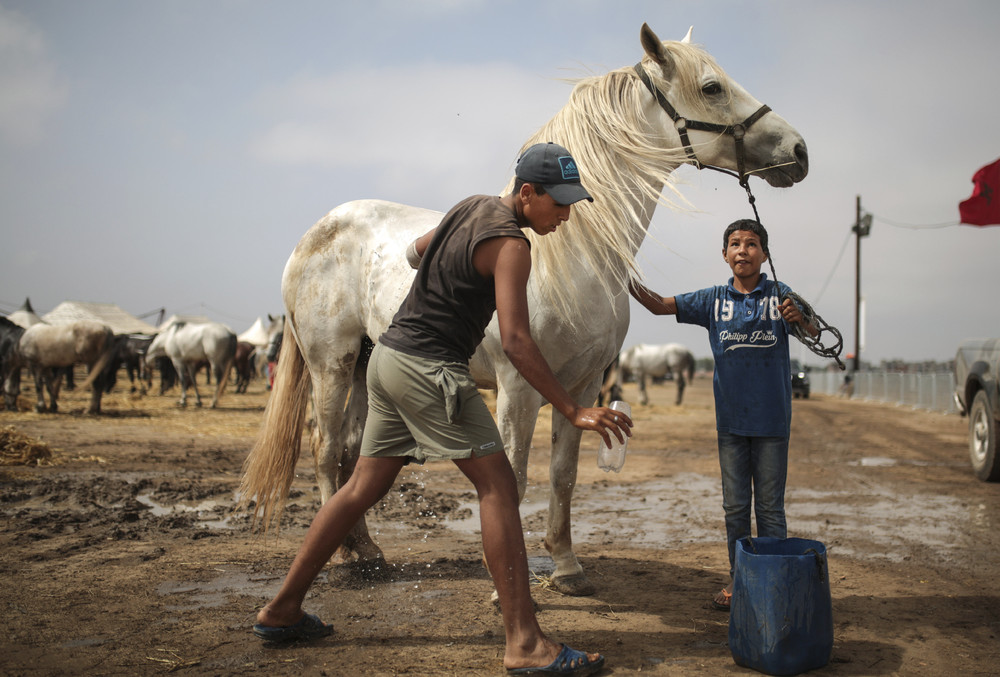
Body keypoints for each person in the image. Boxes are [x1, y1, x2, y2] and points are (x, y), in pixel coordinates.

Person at [252, 142, 631, 676]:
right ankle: (525, 643)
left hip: (388, 358)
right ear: (528, 193)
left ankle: (281, 609)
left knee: (361, 487)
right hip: (431, 369)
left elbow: (412, 253)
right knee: (498, 488)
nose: (566, 216)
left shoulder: (469, 206)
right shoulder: (513, 246)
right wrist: (572, 409)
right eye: (560, 203)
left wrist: (448, 278)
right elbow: (518, 342)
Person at [628, 218, 817, 612]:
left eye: (751, 244)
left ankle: (774, 582)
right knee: (734, 508)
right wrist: (621, 271)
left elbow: (816, 333)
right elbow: (660, 305)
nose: (743, 251)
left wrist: (800, 318)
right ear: (725, 254)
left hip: (772, 423)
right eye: (735, 244)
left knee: (769, 509)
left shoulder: (781, 296)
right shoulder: (712, 299)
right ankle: (741, 579)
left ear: (765, 254)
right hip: (731, 424)